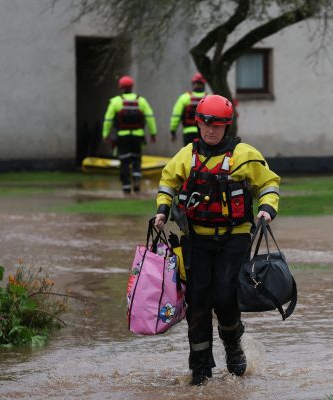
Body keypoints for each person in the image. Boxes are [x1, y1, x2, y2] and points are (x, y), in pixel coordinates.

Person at [153, 94, 280, 385]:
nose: (210, 131)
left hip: (233, 239)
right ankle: (199, 369)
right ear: (198, 124)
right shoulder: (186, 155)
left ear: (226, 125)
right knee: (197, 302)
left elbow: (269, 182)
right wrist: (162, 209)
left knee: (224, 296)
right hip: (196, 240)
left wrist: (266, 209)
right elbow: (167, 181)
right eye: (205, 125)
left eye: (217, 126)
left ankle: (233, 346)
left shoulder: (244, 155)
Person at [102, 75, 157, 194]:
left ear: (121, 87)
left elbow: (108, 120)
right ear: (132, 87)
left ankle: (126, 186)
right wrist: (153, 133)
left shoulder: (116, 101)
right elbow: (150, 118)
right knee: (136, 159)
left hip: (123, 136)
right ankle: (137, 180)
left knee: (125, 161)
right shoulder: (141, 101)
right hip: (138, 136)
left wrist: (105, 134)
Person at [169, 73, 208, 146]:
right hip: (204, 134)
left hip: (188, 133)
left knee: (189, 155)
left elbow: (176, 116)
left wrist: (173, 131)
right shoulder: (209, 98)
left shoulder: (184, 97)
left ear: (193, 84)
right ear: (204, 84)